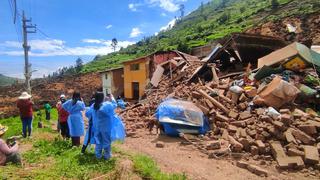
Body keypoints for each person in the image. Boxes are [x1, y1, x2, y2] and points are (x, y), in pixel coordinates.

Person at [85, 91, 125, 159]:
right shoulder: (106, 105)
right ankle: (107, 156)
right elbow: (114, 105)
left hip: (96, 128)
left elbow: (87, 114)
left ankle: (98, 156)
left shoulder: (94, 106)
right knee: (106, 142)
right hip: (105, 128)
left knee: (98, 142)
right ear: (102, 98)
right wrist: (111, 97)